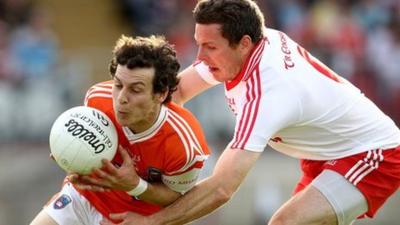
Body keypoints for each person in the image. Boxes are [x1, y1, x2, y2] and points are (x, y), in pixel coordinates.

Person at [99, 1, 400, 225]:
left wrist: (152, 222)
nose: (200, 57)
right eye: (198, 44)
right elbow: (175, 93)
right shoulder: (246, 45)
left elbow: (221, 188)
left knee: (283, 223)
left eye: (210, 47)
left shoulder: (268, 94)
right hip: (325, 150)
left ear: (243, 44)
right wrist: (111, 134)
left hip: (374, 155)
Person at [30, 35, 210, 225]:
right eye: (118, 85)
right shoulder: (96, 99)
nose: (121, 98)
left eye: (136, 89)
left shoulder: (183, 144)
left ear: (161, 94)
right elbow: (87, 155)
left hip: (133, 219)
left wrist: (135, 185)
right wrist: (72, 156)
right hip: (82, 199)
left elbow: (176, 198)